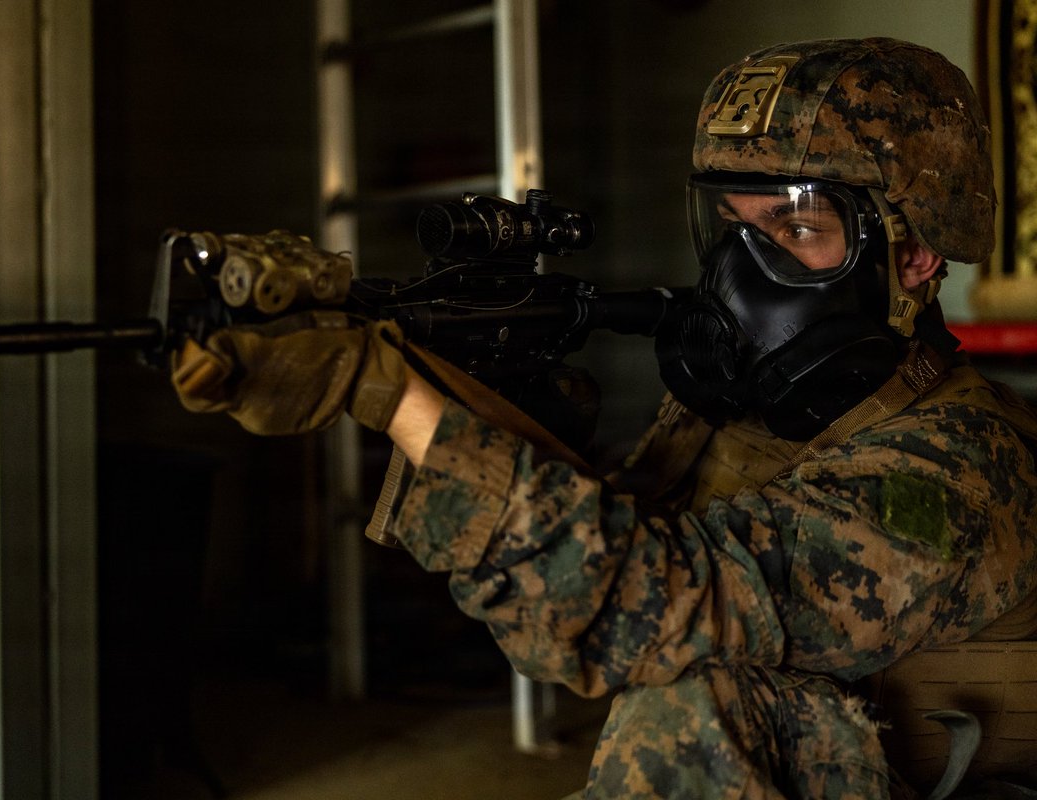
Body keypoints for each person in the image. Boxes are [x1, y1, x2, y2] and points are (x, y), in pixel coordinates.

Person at [171, 38, 1037, 799]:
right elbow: (589, 572)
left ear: (914, 253)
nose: (740, 272)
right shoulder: (757, 418)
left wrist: (393, 394)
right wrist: (488, 411)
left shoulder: (964, 470)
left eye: (794, 228)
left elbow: (644, 614)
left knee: (693, 709)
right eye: (729, 227)